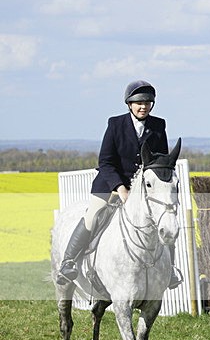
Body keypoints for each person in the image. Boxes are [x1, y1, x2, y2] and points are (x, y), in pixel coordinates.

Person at [56, 80, 183, 289]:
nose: (143, 106)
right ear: (129, 104)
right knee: (94, 214)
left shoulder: (158, 125)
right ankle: (68, 262)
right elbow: (105, 162)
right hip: (111, 182)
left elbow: (158, 160)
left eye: (148, 103)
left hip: (142, 188)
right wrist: (121, 188)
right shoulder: (115, 124)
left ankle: (170, 269)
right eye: (139, 102)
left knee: (163, 220)